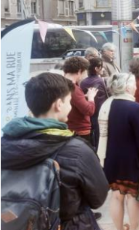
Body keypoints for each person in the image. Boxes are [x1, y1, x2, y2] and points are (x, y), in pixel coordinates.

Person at [2, 72, 109, 229]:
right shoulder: (77, 150)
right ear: (59, 104)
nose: (70, 106)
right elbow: (98, 198)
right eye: (69, 102)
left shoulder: (5, 144)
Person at [98, 73, 139, 230]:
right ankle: (134, 228)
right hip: (132, 161)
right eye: (133, 84)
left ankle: (119, 228)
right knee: (132, 196)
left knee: (116, 196)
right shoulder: (135, 108)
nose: (136, 87)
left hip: (110, 159)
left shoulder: (106, 105)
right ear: (126, 87)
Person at [63, 57, 98, 144]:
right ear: (79, 71)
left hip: (68, 128)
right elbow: (88, 110)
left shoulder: (61, 83)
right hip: (79, 130)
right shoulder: (74, 88)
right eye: (85, 72)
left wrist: (82, 97)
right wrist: (91, 98)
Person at [80, 57, 108, 150]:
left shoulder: (83, 82)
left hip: (89, 113)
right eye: (101, 67)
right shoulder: (100, 81)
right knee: (100, 137)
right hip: (100, 113)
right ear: (96, 68)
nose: (103, 68)